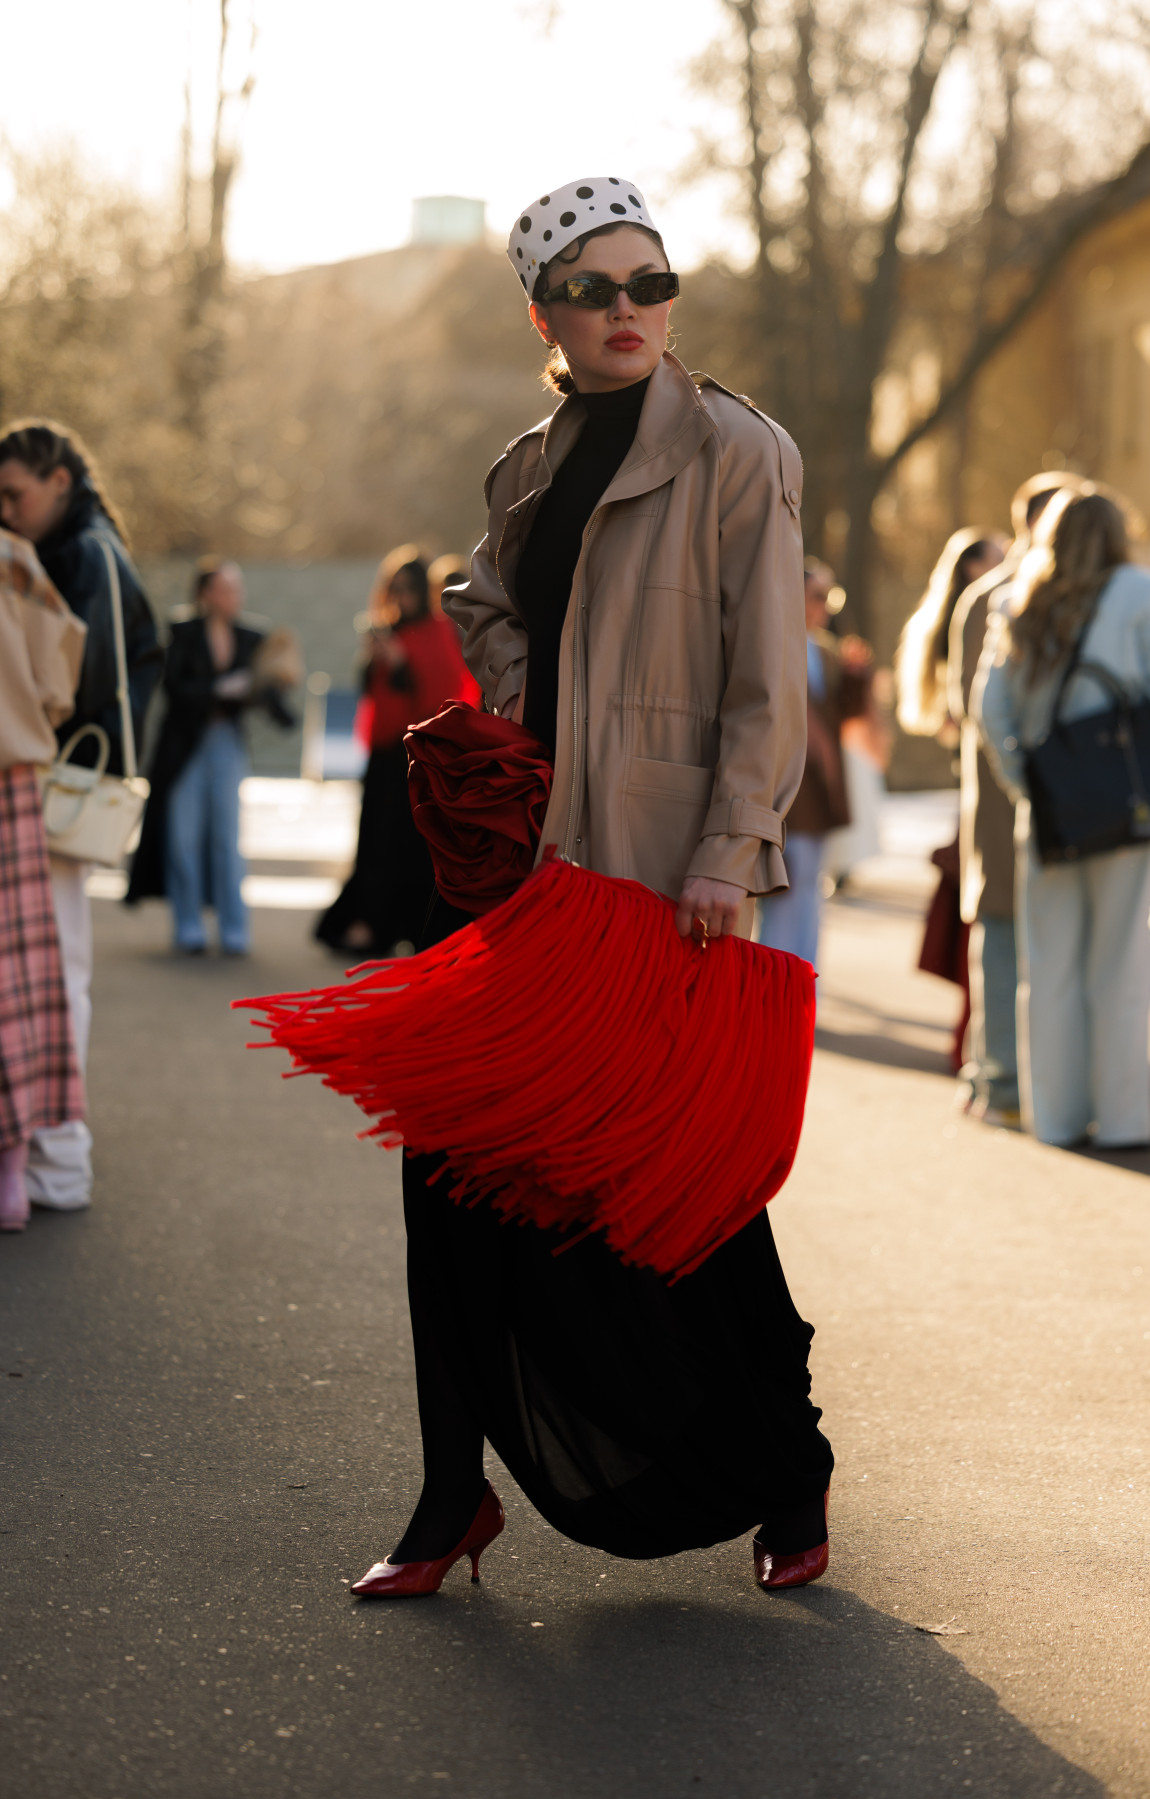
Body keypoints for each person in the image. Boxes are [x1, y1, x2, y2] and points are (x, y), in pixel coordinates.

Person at [350, 176, 833, 1604]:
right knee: (446, 1169)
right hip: (526, 874)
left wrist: (726, 851)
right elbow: (484, 596)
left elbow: (768, 681)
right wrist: (513, 709)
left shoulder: (742, 452)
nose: (629, 310)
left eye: (649, 283)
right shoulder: (528, 462)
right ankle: (451, 1489)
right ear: (545, 313)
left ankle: (790, 1461)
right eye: (595, 289)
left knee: (689, 1185)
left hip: (657, 876)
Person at [976, 487, 1150, 1148]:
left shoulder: (1017, 598)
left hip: (1047, 815)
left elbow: (992, 711)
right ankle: (1123, 1120)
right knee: (1120, 967)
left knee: (1050, 967)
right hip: (1124, 812)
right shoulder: (1145, 592)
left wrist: (1030, 783)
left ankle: (1059, 1118)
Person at [0, 421, 162, 1213]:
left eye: (14, 492)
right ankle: (49, 1151)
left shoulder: (83, 554)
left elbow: (84, 673)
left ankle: (58, 1157)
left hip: (57, 781)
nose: (6, 508)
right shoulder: (89, 544)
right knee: (57, 964)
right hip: (70, 779)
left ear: (58, 480)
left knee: (55, 967)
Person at [947, 473, 1084, 1125]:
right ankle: (1003, 1079)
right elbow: (971, 705)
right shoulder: (1004, 596)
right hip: (1014, 799)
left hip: (1017, 798)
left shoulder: (992, 595)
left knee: (1009, 941)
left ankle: (1007, 1079)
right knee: (1007, 941)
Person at [125, 559, 297, 955]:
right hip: (185, 744)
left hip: (227, 741)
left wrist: (278, 694)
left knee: (226, 838)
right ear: (206, 593)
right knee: (183, 836)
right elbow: (174, 689)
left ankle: (235, 929)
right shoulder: (182, 632)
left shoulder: (253, 637)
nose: (235, 596)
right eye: (226, 588)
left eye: (237, 588)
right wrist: (220, 689)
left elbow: (266, 692)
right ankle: (188, 927)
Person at [315, 550, 479, 958]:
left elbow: (441, 693)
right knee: (375, 839)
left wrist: (403, 662)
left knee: (412, 843)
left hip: (418, 753)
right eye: (396, 589)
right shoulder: (391, 630)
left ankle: (406, 928)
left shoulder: (435, 631)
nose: (402, 597)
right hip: (383, 752)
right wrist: (379, 658)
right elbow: (374, 691)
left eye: (410, 589)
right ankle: (370, 923)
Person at [0, 529, 87, 1230]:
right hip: (9, 778)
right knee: (17, 978)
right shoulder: (13, 559)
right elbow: (59, 668)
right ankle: (11, 1173)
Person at [895, 529, 1004, 1068]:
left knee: (977, 908)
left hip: (969, 776)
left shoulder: (950, 615)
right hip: (982, 778)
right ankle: (975, 1045)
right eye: (998, 558)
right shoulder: (978, 612)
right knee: (986, 909)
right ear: (973, 567)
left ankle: (972, 1042)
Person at [758, 559, 874, 966]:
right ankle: (775, 985)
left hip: (820, 790)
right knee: (786, 892)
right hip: (789, 791)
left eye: (830, 596)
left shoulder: (824, 650)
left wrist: (857, 676)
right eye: (818, 596)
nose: (826, 606)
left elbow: (844, 716)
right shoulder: (774, 642)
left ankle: (803, 983)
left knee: (808, 892)